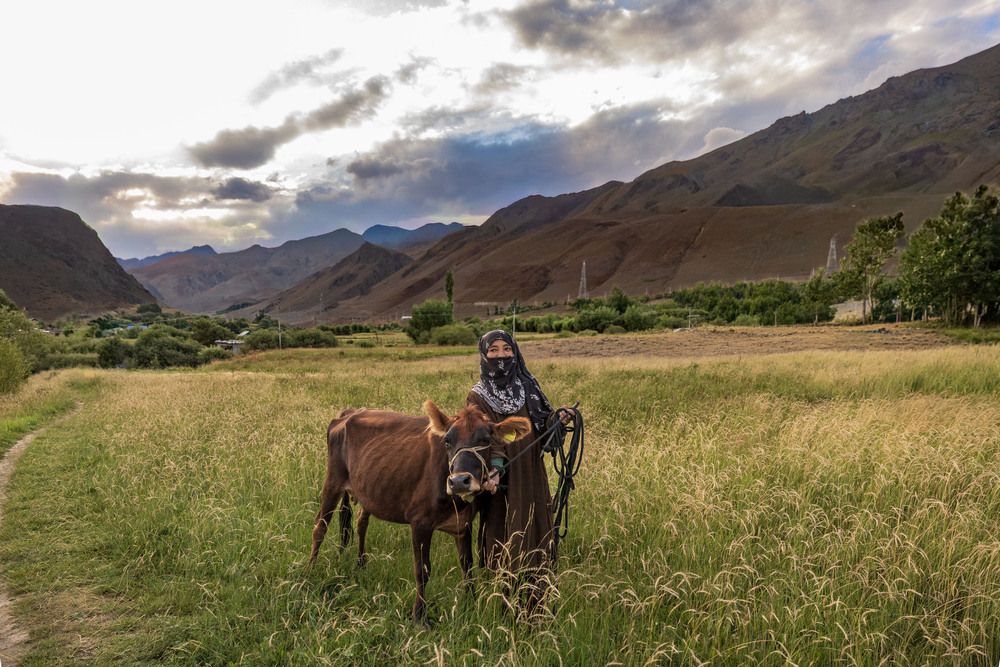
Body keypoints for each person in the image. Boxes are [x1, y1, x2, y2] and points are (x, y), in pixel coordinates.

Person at [465, 330, 573, 596]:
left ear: (515, 352)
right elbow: (484, 436)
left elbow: (542, 421)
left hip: (531, 469)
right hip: (499, 475)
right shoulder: (477, 395)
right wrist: (495, 469)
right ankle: (504, 584)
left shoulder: (527, 386)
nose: (501, 355)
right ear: (484, 354)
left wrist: (557, 420)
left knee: (535, 516)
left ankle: (538, 576)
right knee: (502, 521)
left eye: (506, 349)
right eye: (494, 350)